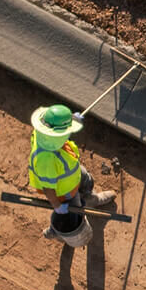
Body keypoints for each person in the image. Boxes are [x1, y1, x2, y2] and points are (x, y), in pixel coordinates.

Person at [27, 103, 116, 242]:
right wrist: (57, 205)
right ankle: (55, 231)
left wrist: (71, 120)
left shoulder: (45, 133)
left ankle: (91, 199)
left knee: (87, 180)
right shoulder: (46, 159)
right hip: (65, 190)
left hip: (71, 172)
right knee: (70, 211)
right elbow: (48, 188)